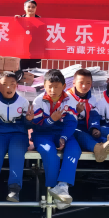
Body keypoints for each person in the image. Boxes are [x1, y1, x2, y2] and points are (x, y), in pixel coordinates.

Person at [30, 69, 80, 209]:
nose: (52, 90)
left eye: (56, 87)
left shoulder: (70, 100)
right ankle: (52, 190)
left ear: (64, 86)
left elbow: (71, 123)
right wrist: (51, 120)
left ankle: (63, 186)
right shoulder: (38, 100)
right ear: (44, 86)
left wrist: (64, 137)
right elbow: (36, 125)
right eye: (49, 86)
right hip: (42, 134)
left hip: (63, 133)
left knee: (74, 150)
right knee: (49, 152)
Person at [0, 71, 31, 202]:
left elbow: (28, 125)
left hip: (19, 136)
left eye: (12, 84)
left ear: (17, 85)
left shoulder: (23, 102)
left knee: (17, 154)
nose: (9, 87)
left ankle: (14, 189)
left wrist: (29, 120)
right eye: (4, 84)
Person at [67, 68, 109, 162]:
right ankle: (99, 149)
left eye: (88, 83)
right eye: (81, 83)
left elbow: (94, 116)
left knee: (102, 131)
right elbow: (63, 119)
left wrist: (94, 128)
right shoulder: (67, 98)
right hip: (72, 128)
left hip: (87, 126)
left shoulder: (92, 98)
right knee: (81, 135)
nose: (84, 86)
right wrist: (76, 112)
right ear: (74, 83)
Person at [16, 0, 42, 70]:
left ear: (36, 8)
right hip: (23, 51)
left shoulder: (41, 20)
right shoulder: (19, 19)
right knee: (22, 72)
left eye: (33, 7)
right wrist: (16, 20)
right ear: (24, 7)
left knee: (35, 73)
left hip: (36, 52)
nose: (31, 9)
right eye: (29, 7)